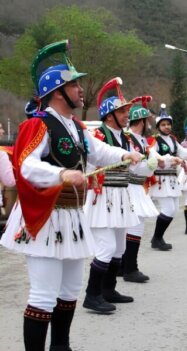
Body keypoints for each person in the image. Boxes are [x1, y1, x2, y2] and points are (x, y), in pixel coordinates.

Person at [0, 40, 140, 350]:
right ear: (56, 92)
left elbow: (99, 151)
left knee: (69, 290)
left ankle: (61, 346)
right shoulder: (37, 125)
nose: (80, 89)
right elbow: (26, 166)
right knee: (43, 294)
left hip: (72, 219)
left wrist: (125, 155)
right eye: (74, 84)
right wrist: (60, 174)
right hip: (45, 217)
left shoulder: (76, 127)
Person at [83, 78, 144, 312]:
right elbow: (96, 158)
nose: (127, 114)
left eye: (127, 110)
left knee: (119, 247)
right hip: (102, 196)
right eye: (122, 111)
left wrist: (148, 164)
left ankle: (108, 290)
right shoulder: (98, 135)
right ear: (109, 115)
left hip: (121, 195)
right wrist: (126, 157)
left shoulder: (126, 138)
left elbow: (133, 167)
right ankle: (92, 294)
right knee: (106, 247)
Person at [122, 99, 160, 282]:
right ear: (142, 121)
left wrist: (166, 160)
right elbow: (135, 167)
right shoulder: (129, 138)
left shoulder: (142, 140)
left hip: (137, 186)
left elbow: (152, 158)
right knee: (135, 226)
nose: (150, 124)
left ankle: (125, 266)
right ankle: (130, 267)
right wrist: (150, 166)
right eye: (148, 120)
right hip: (131, 185)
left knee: (133, 225)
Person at [149, 105, 187, 250]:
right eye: (163, 124)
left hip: (171, 179)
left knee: (174, 209)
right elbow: (153, 157)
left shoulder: (173, 139)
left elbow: (183, 153)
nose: (167, 127)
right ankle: (156, 238)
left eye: (168, 124)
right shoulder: (155, 140)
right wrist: (170, 159)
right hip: (160, 179)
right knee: (168, 209)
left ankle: (158, 238)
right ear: (158, 126)